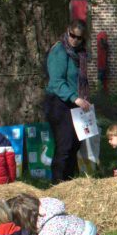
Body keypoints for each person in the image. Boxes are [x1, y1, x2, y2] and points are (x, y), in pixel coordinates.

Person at [45, 20, 92, 184]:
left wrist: (82, 99)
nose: (74, 40)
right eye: (72, 36)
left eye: (79, 38)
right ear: (67, 31)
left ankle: (69, 182)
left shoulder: (81, 54)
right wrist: (76, 98)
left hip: (76, 104)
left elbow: (81, 80)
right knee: (64, 146)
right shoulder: (59, 51)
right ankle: (57, 183)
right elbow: (57, 82)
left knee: (75, 145)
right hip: (59, 104)